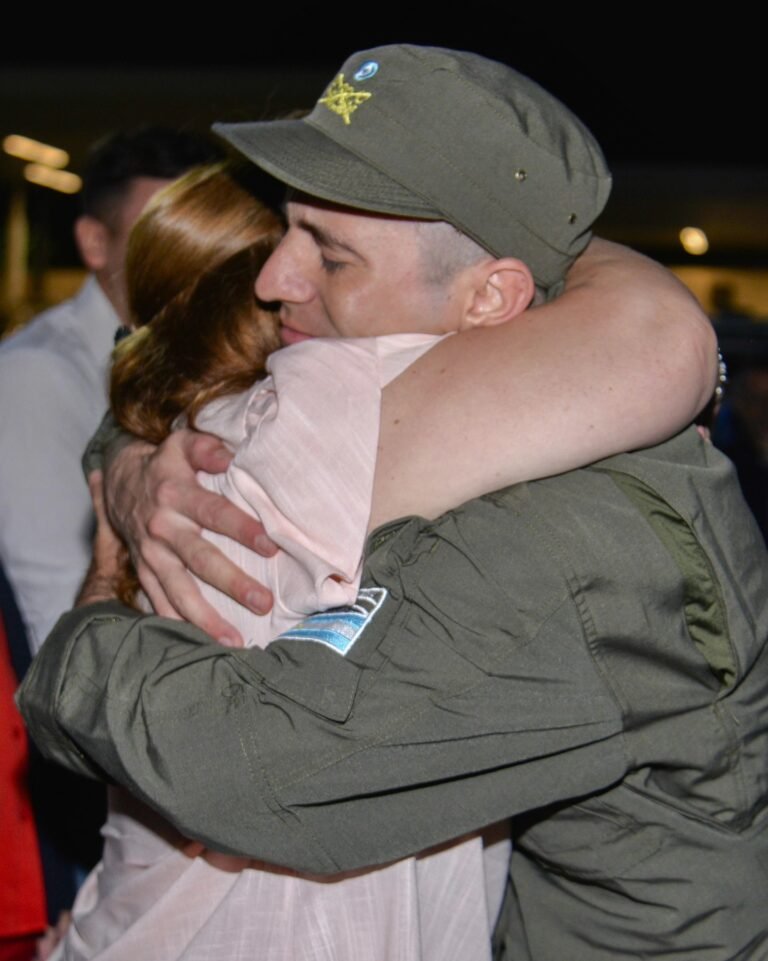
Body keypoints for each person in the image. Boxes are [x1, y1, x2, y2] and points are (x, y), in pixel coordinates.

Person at [22, 47, 766, 961]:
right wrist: (135, 459)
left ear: (492, 298)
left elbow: (254, 773)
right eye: (288, 230)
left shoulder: (556, 538)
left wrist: (88, 623)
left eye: (331, 257)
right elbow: (207, 378)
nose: (275, 278)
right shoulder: (488, 387)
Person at [0, 126, 219, 654]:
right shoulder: (35, 373)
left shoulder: (198, 354)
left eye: (203, 233)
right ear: (95, 243)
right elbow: (55, 622)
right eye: (159, 236)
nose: (190, 258)